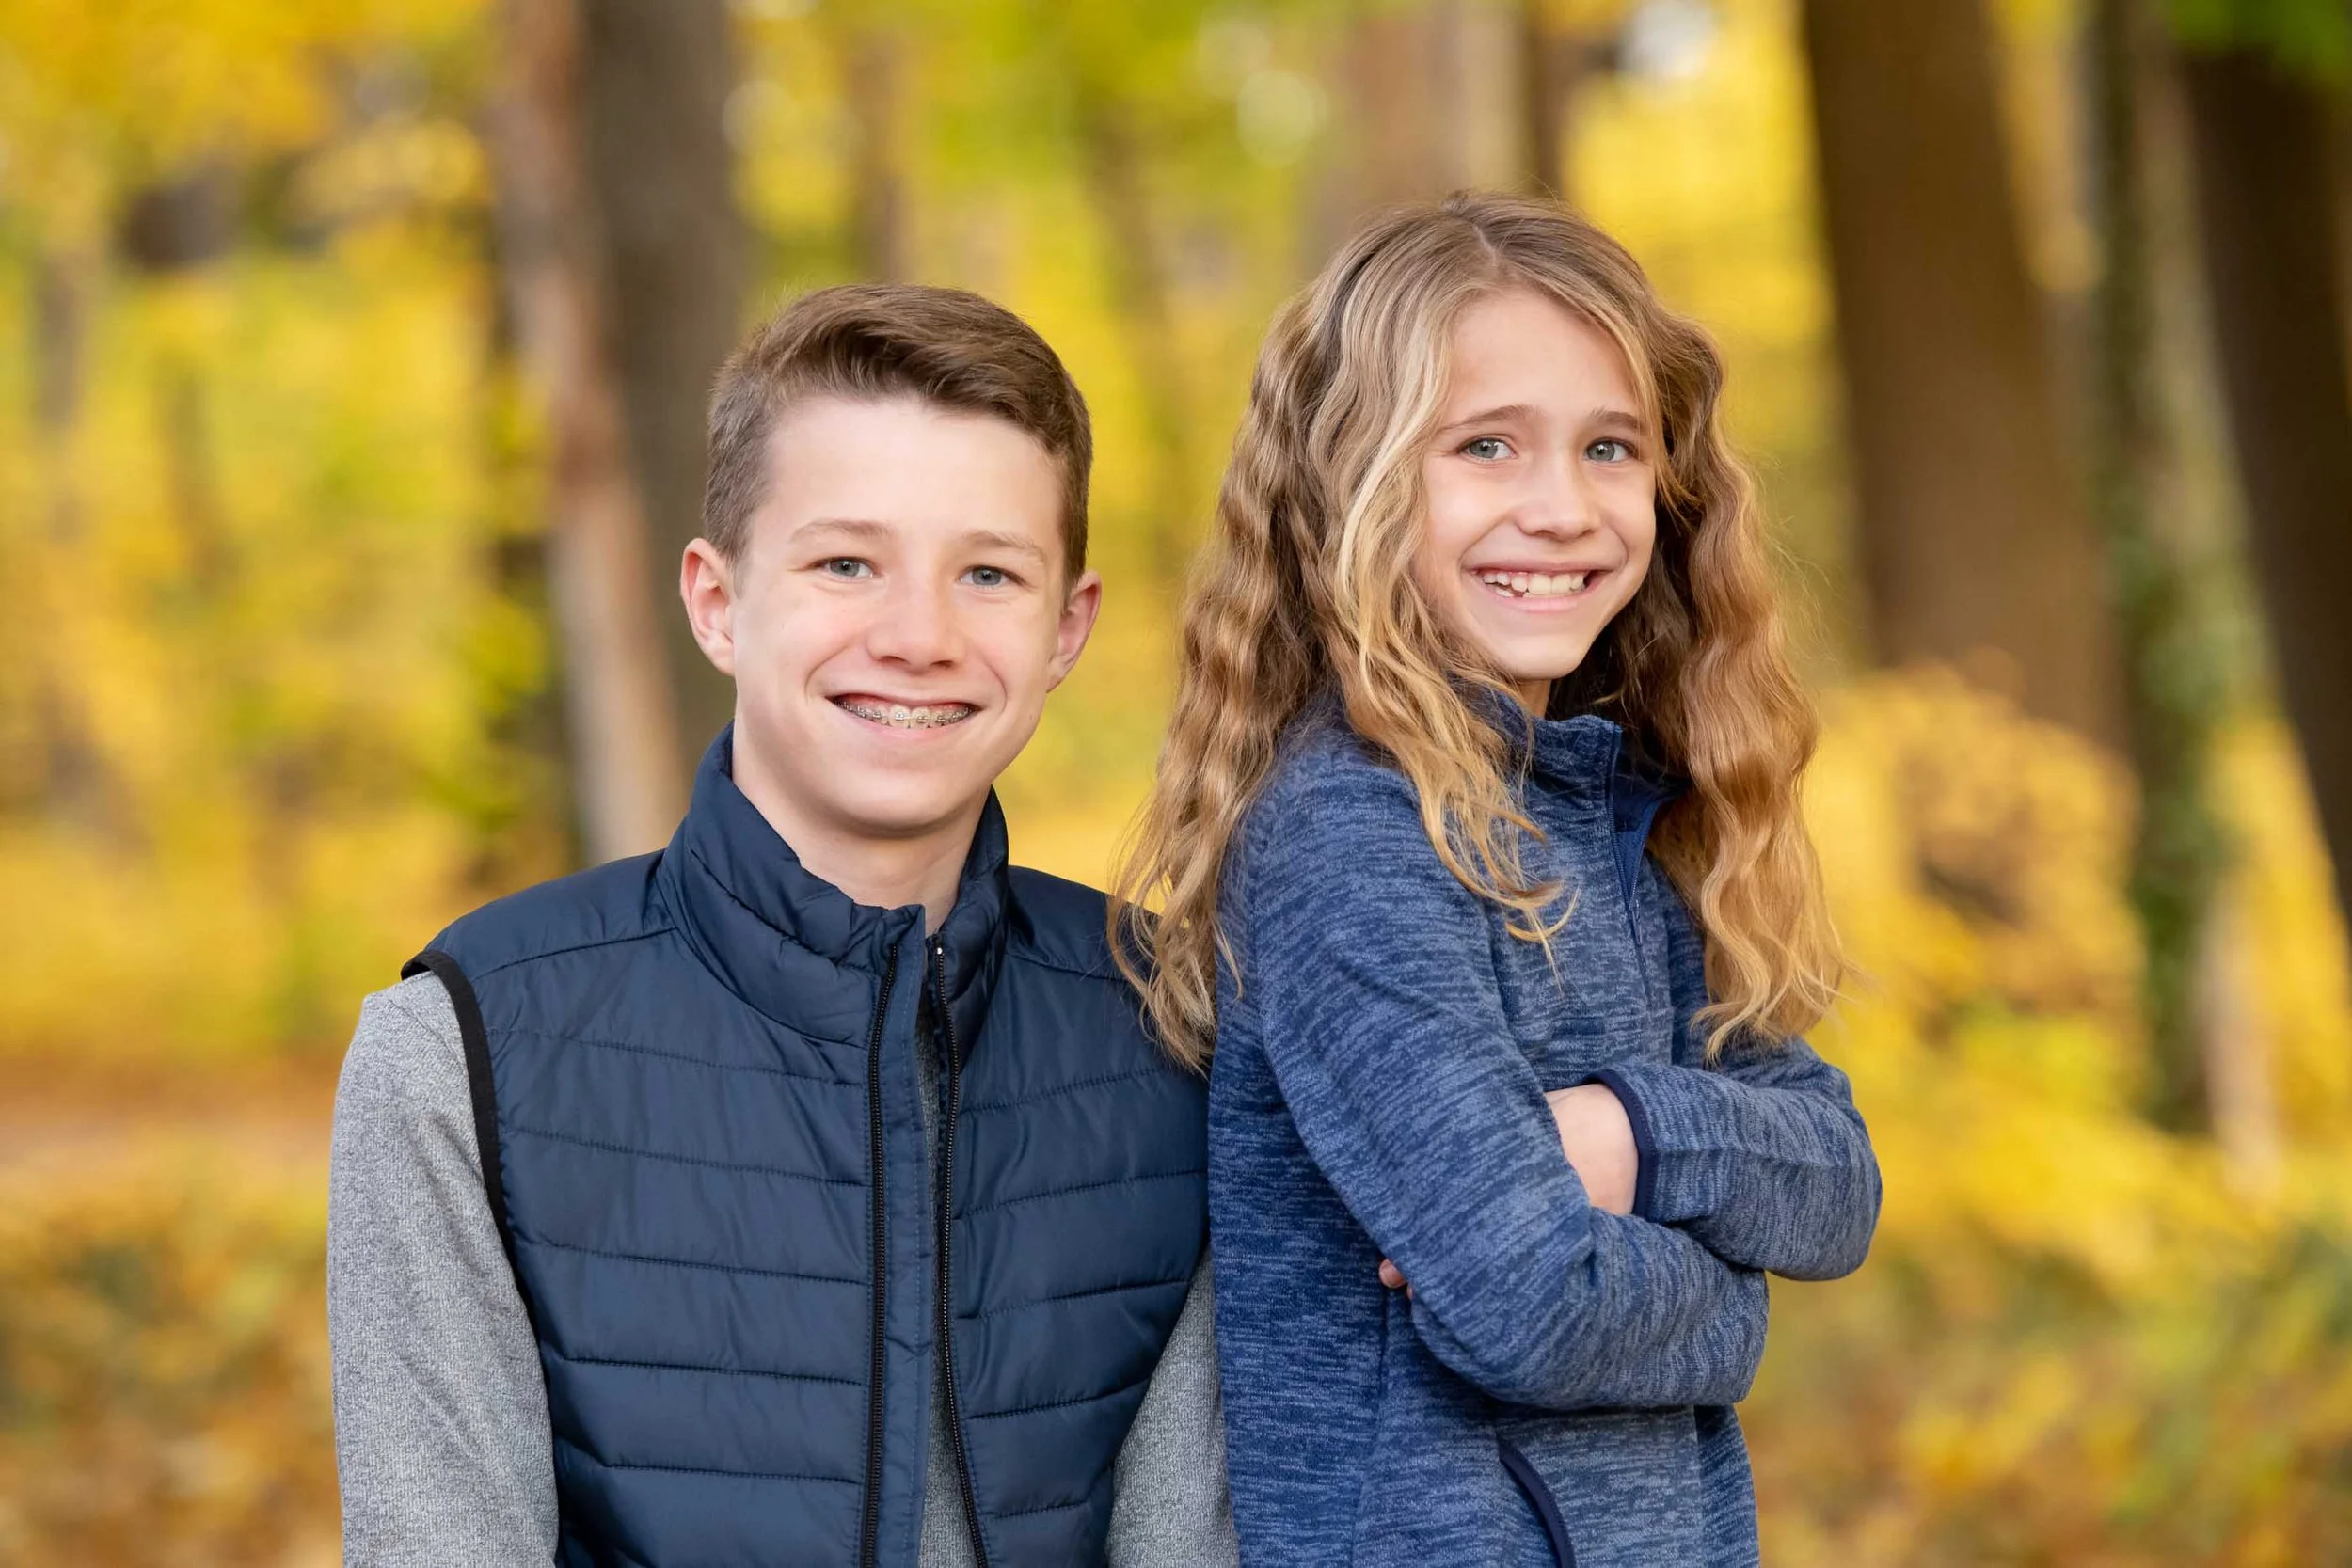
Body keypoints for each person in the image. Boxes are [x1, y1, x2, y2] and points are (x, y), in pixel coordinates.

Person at [328, 285, 1236, 1568]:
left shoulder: (1174, 1025)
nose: (918, 635)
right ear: (717, 601)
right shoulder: (461, 1053)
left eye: (988, 573)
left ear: (1066, 629)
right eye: (845, 563)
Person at [1113, 193, 1883, 1567]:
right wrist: (1735, 1301)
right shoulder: (1350, 839)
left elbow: (1837, 1184)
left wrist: (1629, 1135)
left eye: (1610, 448)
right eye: (1485, 447)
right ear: (1358, 482)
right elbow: (1531, 1295)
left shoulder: (1624, 813)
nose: (1563, 508)